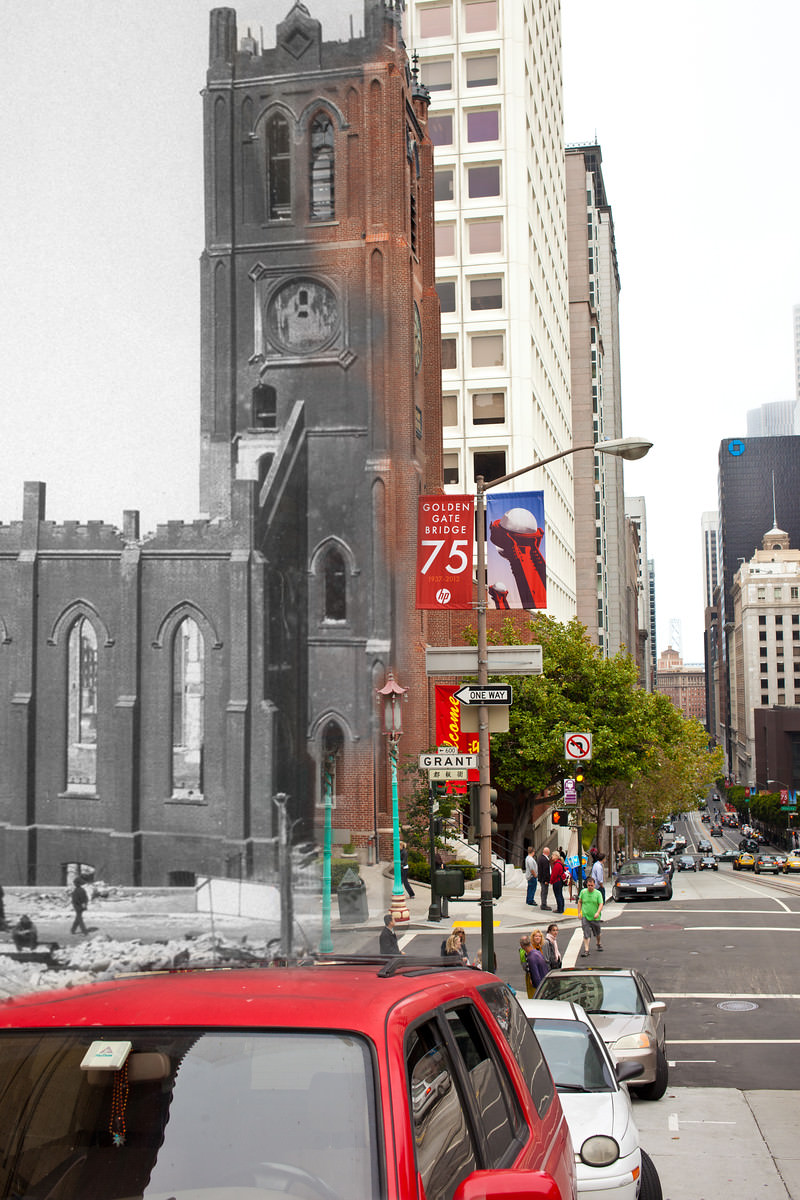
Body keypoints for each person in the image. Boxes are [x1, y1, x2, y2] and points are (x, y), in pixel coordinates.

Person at [578, 876, 604, 956]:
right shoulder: (583, 892)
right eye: (588, 885)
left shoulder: (598, 893)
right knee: (586, 933)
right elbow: (580, 902)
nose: (590, 887)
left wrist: (597, 912)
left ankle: (598, 943)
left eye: (591, 885)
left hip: (595, 917)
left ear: (594, 885)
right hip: (585, 915)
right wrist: (579, 912)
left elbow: (601, 904)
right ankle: (586, 950)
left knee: (597, 932)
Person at [537, 845, 552, 910]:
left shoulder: (540, 858)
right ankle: (544, 904)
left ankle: (543, 903)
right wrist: (546, 880)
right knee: (544, 891)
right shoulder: (545, 860)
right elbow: (545, 870)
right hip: (544, 879)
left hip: (541, 878)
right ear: (548, 852)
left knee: (543, 891)